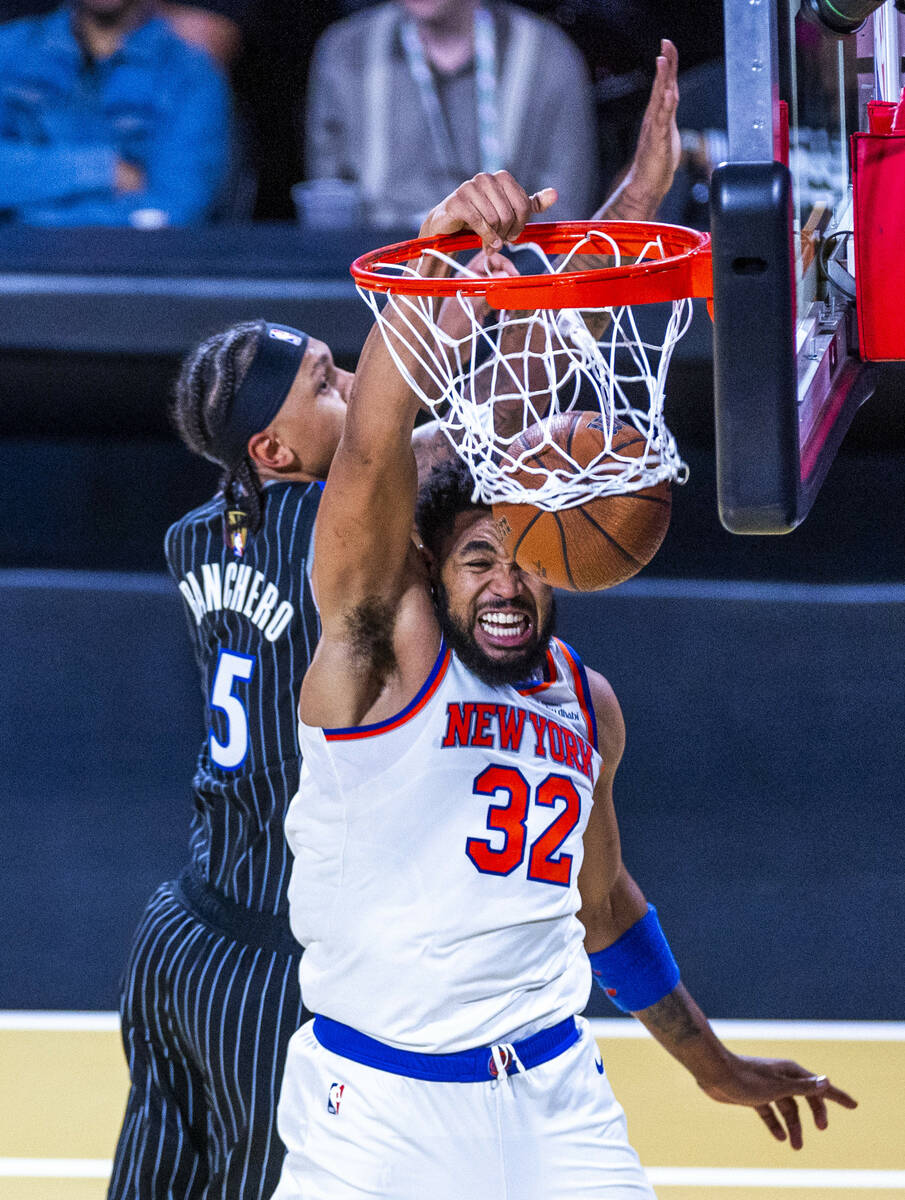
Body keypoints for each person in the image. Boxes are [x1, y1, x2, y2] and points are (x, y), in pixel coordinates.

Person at [106, 43, 687, 1199]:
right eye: (322, 383)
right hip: (281, 953)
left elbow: (460, 415)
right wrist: (460, 257)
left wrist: (622, 211)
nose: (347, 389)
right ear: (274, 452)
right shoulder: (347, 544)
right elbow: (477, 398)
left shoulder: (203, 531)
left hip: (185, 927)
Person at [270, 170, 858, 1199]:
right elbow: (368, 457)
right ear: (428, 573)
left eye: (523, 558)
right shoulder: (378, 656)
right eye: (476, 561)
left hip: (554, 1099)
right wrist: (430, 266)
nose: (505, 585)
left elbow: (601, 903)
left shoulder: (585, 707)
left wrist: (706, 1063)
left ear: (560, 555)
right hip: (378, 1115)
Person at [303, 0, 598, 227]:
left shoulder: (548, 57)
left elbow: (563, 212)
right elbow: (328, 205)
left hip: (505, 273)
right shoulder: (346, 52)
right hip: (384, 274)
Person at [0, 0, 231, 226]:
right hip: (13, 258)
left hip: (135, 259)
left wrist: (21, 214)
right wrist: (104, 170)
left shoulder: (191, 75)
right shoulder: (8, 50)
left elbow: (176, 208)